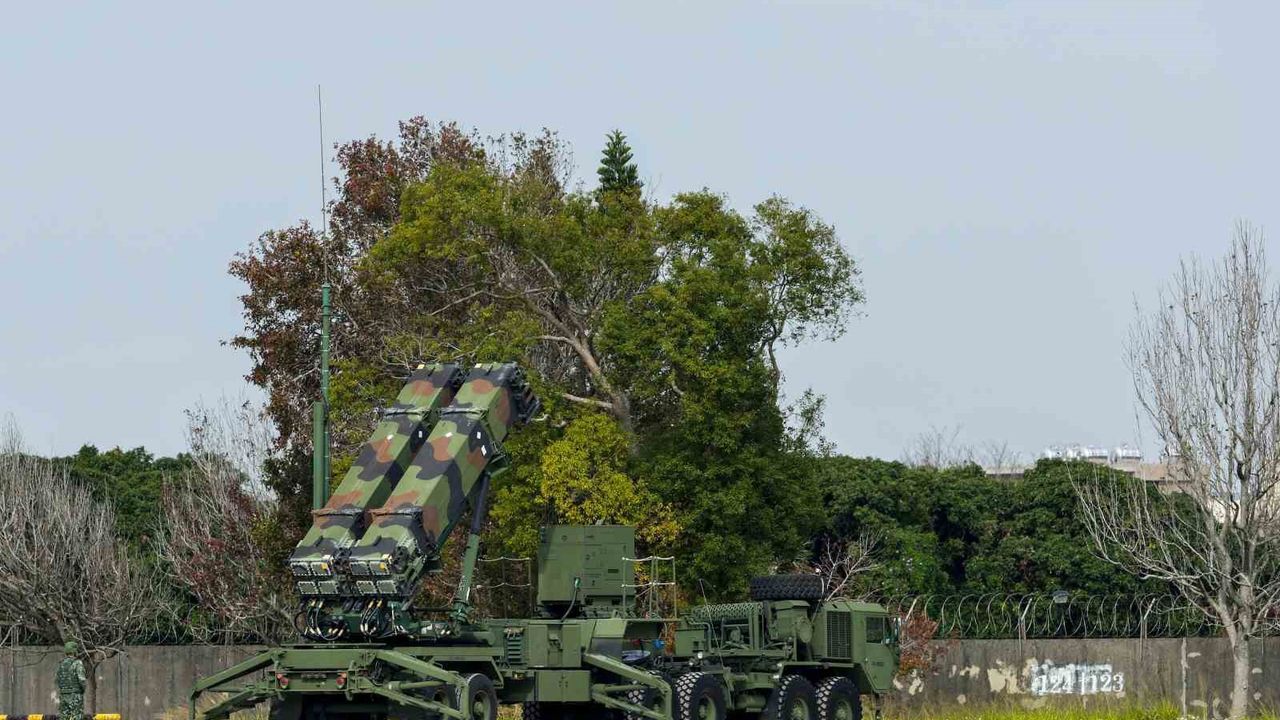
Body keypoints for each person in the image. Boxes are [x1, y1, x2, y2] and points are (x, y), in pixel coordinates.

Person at [55, 640, 87, 720]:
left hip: (63, 695)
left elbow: (57, 680)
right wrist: (82, 690)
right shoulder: (77, 663)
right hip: (75, 695)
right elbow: (82, 680)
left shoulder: (61, 664)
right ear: (75, 651)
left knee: (64, 717)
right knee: (77, 717)